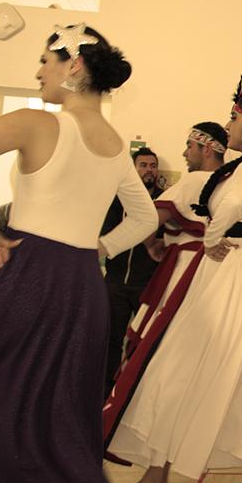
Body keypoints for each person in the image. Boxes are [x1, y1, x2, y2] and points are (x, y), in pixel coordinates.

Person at [0, 23, 157, 483]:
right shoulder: (117, 145)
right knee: (53, 414)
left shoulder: (34, 123)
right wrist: (97, 249)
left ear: (73, 65)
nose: (37, 71)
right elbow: (144, 219)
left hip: (25, 274)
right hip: (81, 286)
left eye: (44, 61)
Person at [103, 79, 242, 483]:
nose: (228, 124)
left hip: (234, 267)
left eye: (234, 117)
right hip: (234, 267)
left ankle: (160, 477)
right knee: (234, 372)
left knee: (183, 362)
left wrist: (213, 236)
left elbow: (232, 208)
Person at [119, 122, 227, 365]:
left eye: (190, 146)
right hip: (221, 272)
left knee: (165, 340)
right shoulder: (232, 182)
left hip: (186, 269)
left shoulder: (194, 181)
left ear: (207, 149)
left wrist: (150, 245)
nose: (185, 153)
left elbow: (148, 222)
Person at [102, 145, 165, 395]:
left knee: (144, 340)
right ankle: (107, 391)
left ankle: (136, 391)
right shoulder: (115, 199)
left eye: (152, 165)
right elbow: (105, 234)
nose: (148, 170)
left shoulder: (165, 200)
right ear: (133, 168)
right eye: (143, 165)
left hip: (147, 284)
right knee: (111, 339)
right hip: (115, 282)